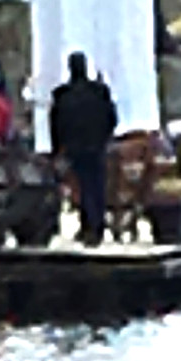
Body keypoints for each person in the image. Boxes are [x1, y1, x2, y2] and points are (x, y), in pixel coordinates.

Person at [49, 53, 119, 246]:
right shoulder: (99, 92)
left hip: (75, 146)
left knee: (83, 186)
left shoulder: (63, 95)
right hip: (96, 145)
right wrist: (105, 136)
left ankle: (90, 225)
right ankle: (96, 223)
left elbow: (56, 124)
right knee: (97, 185)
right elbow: (111, 117)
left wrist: (57, 149)